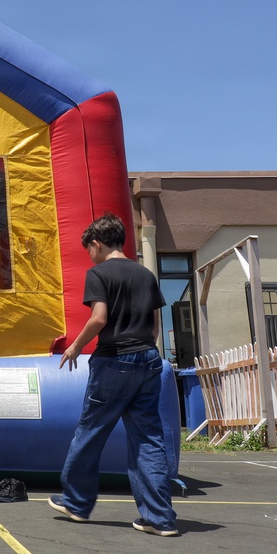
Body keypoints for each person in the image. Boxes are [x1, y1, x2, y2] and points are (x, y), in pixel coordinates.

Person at [49, 212, 178, 537]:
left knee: (91, 431)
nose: (89, 256)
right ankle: (159, 519)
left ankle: (76, 502)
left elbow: (99, 317)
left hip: (114, 362)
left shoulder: (99, 273)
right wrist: (147, 351)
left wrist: (77, 346)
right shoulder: (145, 274)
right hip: (148, 358)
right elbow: (155, 323)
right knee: (148, 438)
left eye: (89, 250)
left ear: (96, 243)